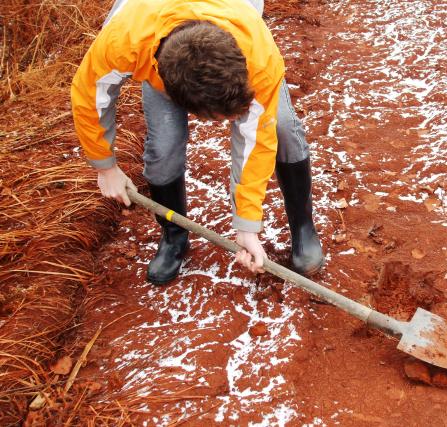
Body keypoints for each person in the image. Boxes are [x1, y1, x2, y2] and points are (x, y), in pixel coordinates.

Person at [71, 0, 324, 284]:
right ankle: (174, 235)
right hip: (157, 39)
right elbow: (90, 95)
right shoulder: (124, 38)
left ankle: (302, 226)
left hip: (237, 31)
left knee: (283, 128)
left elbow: (255, 142)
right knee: (163, 146)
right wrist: (105, 167)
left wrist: (246, 227)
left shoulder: (258, 54)